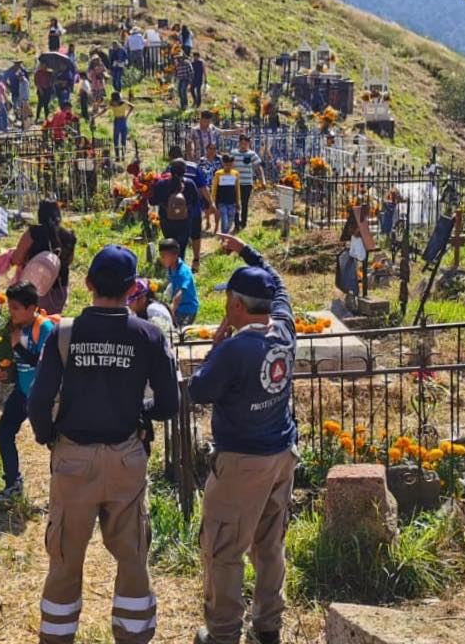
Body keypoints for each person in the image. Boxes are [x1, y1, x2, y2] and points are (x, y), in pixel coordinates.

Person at [28, 245, 179, 644]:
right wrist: (141, 411)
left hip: (73, 458)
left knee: (64, 559)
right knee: (132, 558)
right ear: (132, 289)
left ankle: (58, 637)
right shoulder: (148, 334)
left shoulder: (64, 334)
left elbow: (38, 402)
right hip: (126, 458)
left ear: (88, 283)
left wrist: (50, 439)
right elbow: (169, 404)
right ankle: (132, 636)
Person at [188, 233, 297, 644]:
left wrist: (216, 346)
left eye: (227, 301)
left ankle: (223, 634)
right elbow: (280, 285)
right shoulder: (284, 329)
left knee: (223, 548)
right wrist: (248, 251)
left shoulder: (233, 351)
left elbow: (199, 391)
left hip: (241, 463)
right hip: (280, 455)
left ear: (235, 304)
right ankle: (268, 626)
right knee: (269, 544)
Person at [0, 281, 55, 501]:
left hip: (43, 395)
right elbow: (14, 363)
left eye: (16, 308)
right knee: (3, 432)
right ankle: (12, 483)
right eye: (10, 307)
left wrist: (18, 346)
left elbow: (45, 365)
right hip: (22, 392)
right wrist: (2, 371)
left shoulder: (44, 329)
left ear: (32, 307)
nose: (12, 312)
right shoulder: (12, 328)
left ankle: (63, 489)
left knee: (55, 442)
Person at [11, 200, 77, 314]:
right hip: (59, 292)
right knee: (52, 324)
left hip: (35, 289)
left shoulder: (33, 233)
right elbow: (69, 261)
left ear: (40, 214)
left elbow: (17, 259)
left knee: (35, 326)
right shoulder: (69, 236)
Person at [150, 158, 200, 259]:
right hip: (185, 221)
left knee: (170, 246)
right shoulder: (190, 184)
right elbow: (196, 201)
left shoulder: (161, 184)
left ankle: (170, 267)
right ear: (185, 171)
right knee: (181, 249)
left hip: (167, 221)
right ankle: (180, 268)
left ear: (170, 170)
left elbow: (153, 201)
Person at [159, 238, 199, 328]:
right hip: (179, 307)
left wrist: (172, 309)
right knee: (174, 328)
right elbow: (170, 281)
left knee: (181, 332)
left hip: (188, 308)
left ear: (174, 256)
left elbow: (179, 295)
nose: (161, 259)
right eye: (161, 256)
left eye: (163, 256)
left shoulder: (183, 272)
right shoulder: (171, 267)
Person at [232, 134, 266, 231]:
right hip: (235, 183)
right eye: (242, 143)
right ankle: (236, 223)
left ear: (249, 144)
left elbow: (258, 168)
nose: (244, 145)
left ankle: (243, 223)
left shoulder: (252, 154)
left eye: (246, 143)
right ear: (239, 143)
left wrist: (262, 180)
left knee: (244, 203)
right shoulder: (233, 153)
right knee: (235, 203)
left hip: (247, 183)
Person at [95, 91, 134, 162]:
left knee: (123, 140)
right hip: (117, 121)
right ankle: (117, 157)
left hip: (123, 121)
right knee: (116, 140)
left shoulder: (124, 103)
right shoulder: (112, 105)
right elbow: (104, 110)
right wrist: (96, 116)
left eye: (114, 101)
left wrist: (127, 116)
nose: (114, 103)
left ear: (118, 100)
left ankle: (123, 156)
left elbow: (132, 106)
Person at [212, 154, 242, 234]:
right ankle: (224, 237)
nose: (228, 167)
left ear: (232, 164)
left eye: (230, 165)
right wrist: (213, 202)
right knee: (224, 221)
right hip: (222, 202)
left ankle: (225, 234)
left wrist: (238, 202)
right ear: (223, 164)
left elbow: (237, 189)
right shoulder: (218, 174)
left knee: (230, 220)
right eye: (226, 165)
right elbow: (214, 189)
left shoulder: (236, 174)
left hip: (232, 202)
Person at [198, 142, 222, 232]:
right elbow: (199, 173)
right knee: (207, 207)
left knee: (217, 207)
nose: (212, 151)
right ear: (206, 149)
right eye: (210, 149)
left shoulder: (220, 160)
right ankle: (207, 220)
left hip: (218, 187)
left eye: (214, 149)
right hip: (206, 188)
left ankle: (216, 226)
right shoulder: (202, 160)